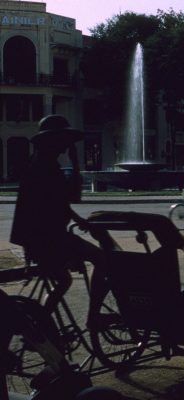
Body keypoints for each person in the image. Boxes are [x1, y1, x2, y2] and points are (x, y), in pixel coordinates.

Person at [10, 115, 107, 326]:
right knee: (101, 259)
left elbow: (60, 202)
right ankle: (93, 317)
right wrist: (75, 162)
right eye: (64, 142)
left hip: (38, 240)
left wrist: (78, 219)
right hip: (50, 239)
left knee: (63, 281)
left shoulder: (40, 163)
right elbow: (72, 196)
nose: (65, 147)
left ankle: (41, 324)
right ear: (53, 141)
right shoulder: (46, 167)